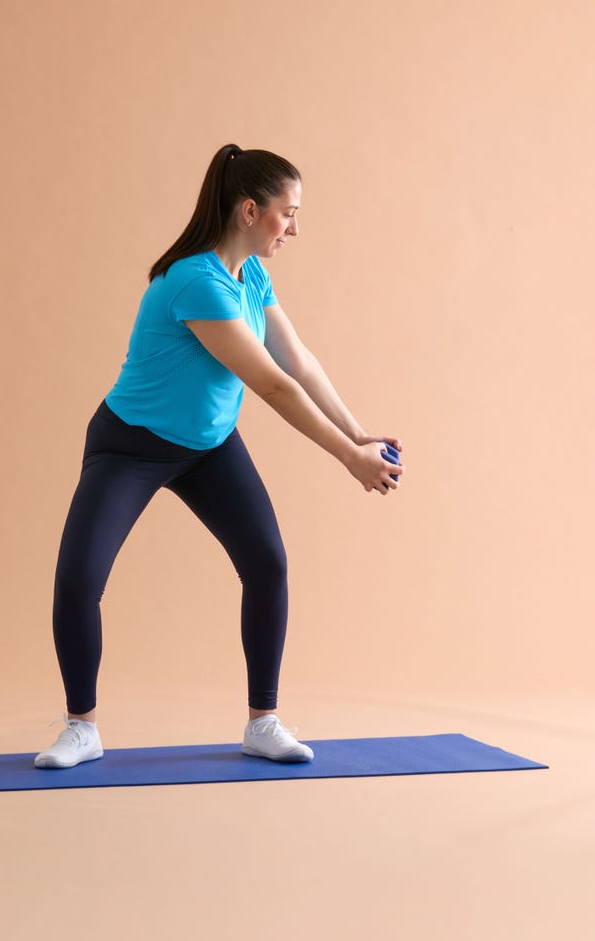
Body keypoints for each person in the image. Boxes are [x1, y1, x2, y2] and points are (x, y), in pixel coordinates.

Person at [35, 143, 404, 769]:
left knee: (267, 564)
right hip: (131, 445)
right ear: (249, 210)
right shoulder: (192, 281)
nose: (294, 228)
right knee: (78, 580)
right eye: (287, 214)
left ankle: (263, 722)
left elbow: (299, 362)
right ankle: (82, 727)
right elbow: (272, 386)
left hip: (208, 447)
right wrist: (348, 458)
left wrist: (360, 433)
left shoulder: (251, 275)